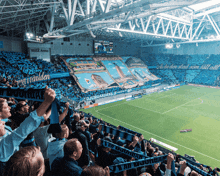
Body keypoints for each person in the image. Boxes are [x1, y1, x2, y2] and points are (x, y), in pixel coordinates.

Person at [0, 86, 56, 175]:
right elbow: (22, 131)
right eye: (7, 107)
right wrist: (47, 102)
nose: (3, 123)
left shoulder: (9, 122)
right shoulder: (2, 149)